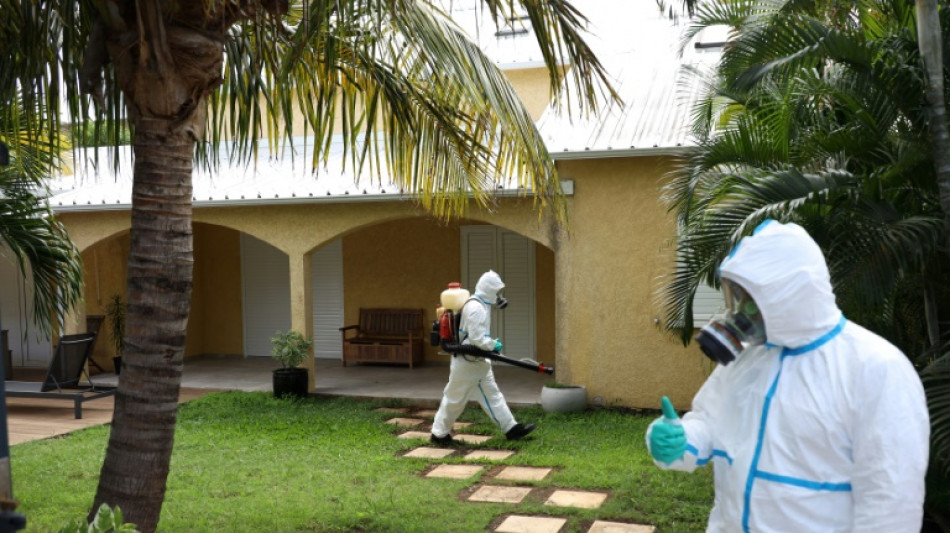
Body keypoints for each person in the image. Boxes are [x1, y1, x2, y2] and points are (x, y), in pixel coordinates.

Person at [646, 219, 930, 532]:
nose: (742, 311)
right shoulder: (749, 359)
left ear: (791, 293)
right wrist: (682, 440)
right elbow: (710, 423)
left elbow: (890, 502)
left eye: (751, 300)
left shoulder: (876, 368)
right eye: (738, 297)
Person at [431, 270, 535, 444]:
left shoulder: (481, 304)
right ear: (489, 290)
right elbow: (478, 339)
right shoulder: (476, 308)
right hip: (468, 362)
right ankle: (438, 434)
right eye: (497, 291)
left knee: (492, 395)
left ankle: (511, 428)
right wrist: (493, 345)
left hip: (476, 361)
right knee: (454, 399)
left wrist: (490, 346)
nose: (499, 296)